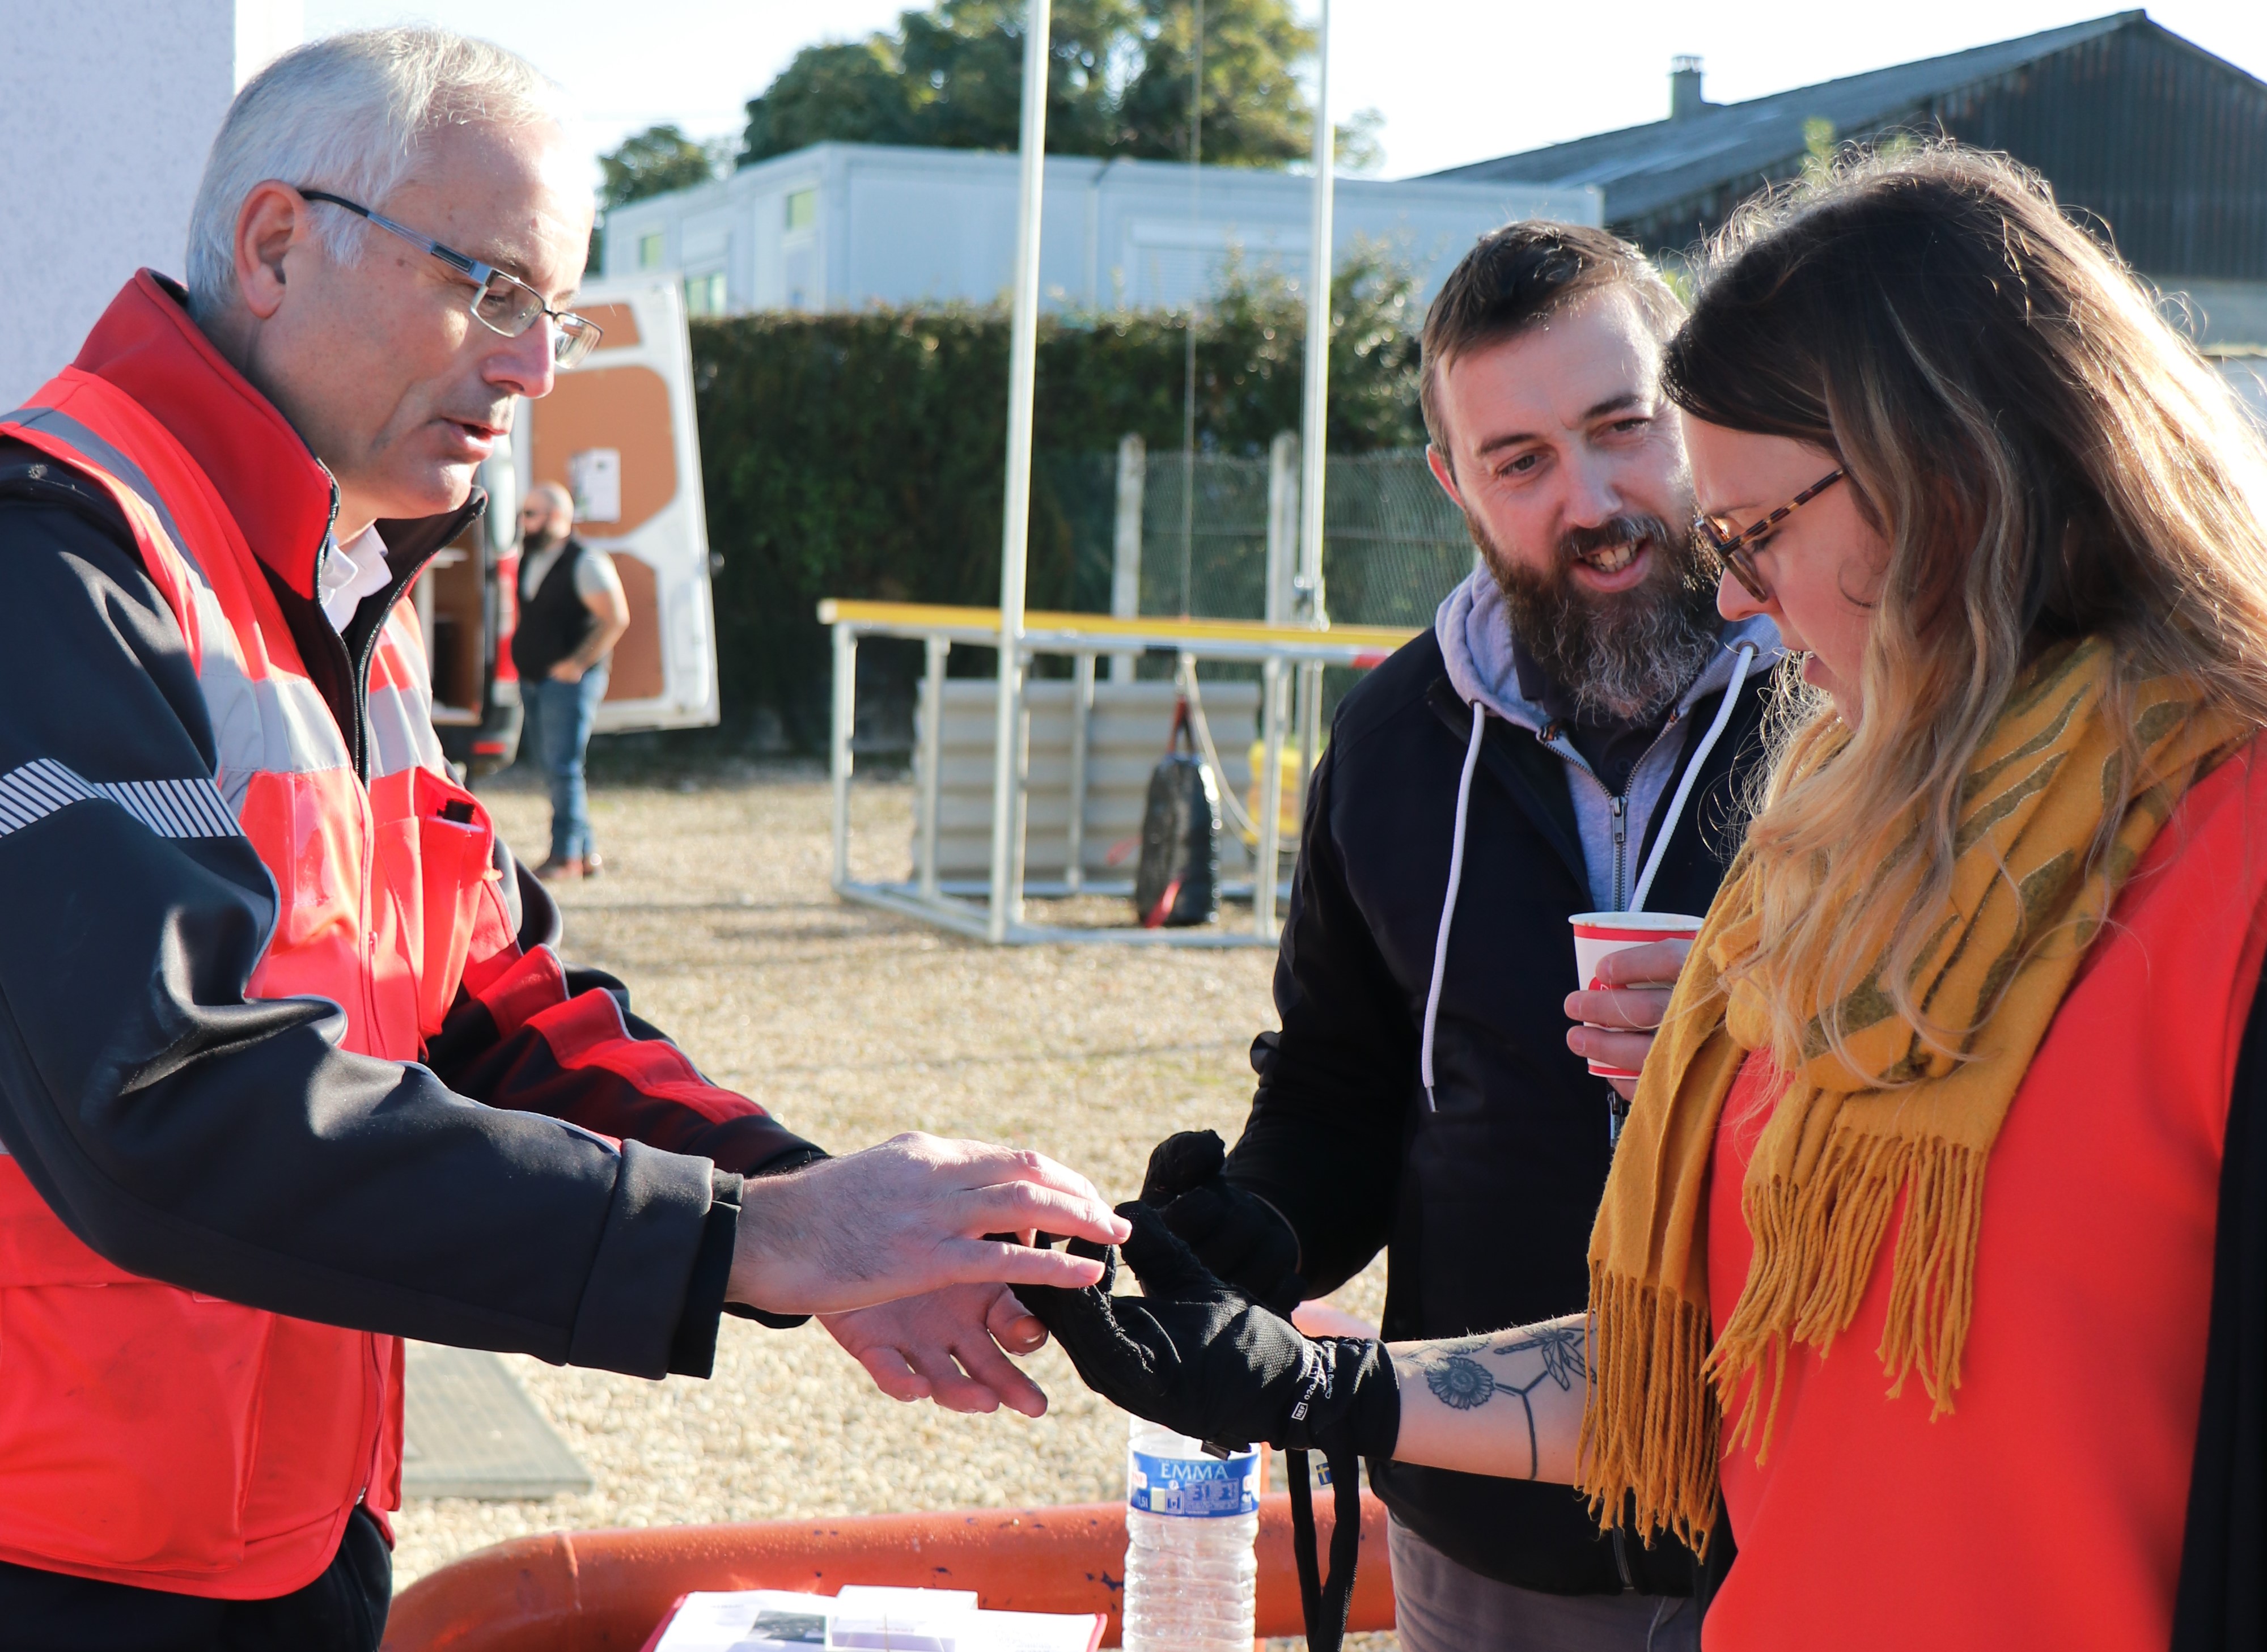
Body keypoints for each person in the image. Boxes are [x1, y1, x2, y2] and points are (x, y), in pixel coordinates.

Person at [1024, 144, 2267, 1652]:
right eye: (1519, 459)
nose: (1727, 589)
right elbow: (1705, 1354)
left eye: (1746, 526)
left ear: (1952, 476)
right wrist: (1294, 1356)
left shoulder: (2210, 861)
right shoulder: (1829, 835)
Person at [0, 29, 1127, 1649]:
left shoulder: (325, 591)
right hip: (62, 1571)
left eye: (555, 312)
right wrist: (755, 1241)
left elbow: (491, 1004)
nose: (534, 369)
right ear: (272, 245)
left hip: (273, 1545)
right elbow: (160, 1098)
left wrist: (819, 1215)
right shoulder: (56, 561)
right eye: (493, 290)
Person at [1128, 221, 1779, 1652]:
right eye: (1522, 460)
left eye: (1624, 428)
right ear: (1454, 486)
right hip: (1486, 1530)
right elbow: (1343, 1090)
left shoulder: (1862, 699)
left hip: (1800, 1510)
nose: (1594, 497)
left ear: (1699, 409)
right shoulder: (1389, 737)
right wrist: (1257, 1229)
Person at [511, 478, 627, 879]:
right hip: (535, 679)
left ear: (558, 518)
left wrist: (577, 663)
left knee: (562, 767)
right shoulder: (533, 557)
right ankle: (586, 853)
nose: (523, 522)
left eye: (531, 514)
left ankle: (565, 857)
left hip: (568, 684)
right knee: (555, 766)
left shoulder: (586, 562)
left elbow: (616, 618)